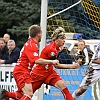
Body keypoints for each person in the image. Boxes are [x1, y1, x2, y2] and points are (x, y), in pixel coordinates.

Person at [0, 25, 59, 100]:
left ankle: (5, 94)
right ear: (38, 34)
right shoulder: (32, 45)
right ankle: (4, 94)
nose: (42, 35)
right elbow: (36, 60)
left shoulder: (31, 43)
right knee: (29, 94)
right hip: (22, 71)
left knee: (22, 94)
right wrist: (51, 61)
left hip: (22, 71)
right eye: (41, 33)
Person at [30, 27, 80, 100]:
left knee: (64, 88)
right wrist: (71, 66)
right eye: (62, 38)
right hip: (39, 74)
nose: (64, 40)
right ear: (56, 39)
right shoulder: (51, 49)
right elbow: (57, 66)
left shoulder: (58, 47)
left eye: (64, 38)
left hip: (49, 73)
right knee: (28, 94)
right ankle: (8, 94)